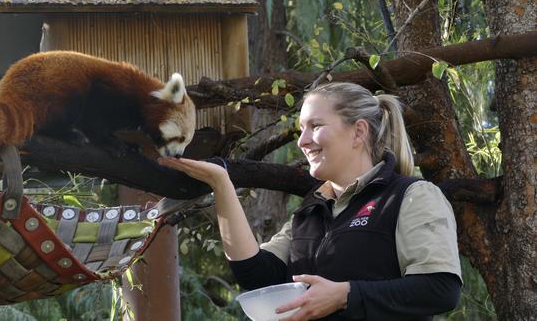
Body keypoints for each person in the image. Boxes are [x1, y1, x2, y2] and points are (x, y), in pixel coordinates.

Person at [158, 82, 462, 320]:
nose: (302, 141)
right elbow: (256, 274)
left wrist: (345, 295)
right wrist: (220, 184)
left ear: (358, 132)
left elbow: (440, 290)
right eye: (301, 129)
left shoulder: (410, 196)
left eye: (315, 126)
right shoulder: (310, 210)